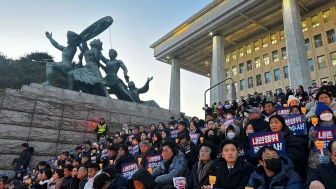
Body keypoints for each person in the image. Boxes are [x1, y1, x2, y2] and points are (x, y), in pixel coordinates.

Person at [264, 115, 305, 179]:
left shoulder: (291, 138)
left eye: (276, 122)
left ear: (282, 124)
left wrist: (278, 161)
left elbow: (294, 154)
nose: (273, 125)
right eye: (271, 123)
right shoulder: (264, 138)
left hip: (286, 170)